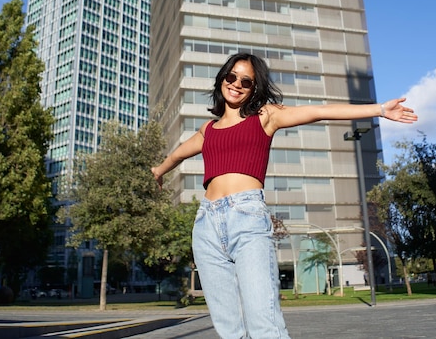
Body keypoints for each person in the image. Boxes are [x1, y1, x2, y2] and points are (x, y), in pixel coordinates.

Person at [152, 52, 417, 338]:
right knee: (227, 326)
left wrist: (378, 110)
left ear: (255, 88)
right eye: (231, 77)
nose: (237, 84)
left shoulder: (265, 116)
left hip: (246, 218)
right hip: (206, 225)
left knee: (262, 319)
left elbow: (319, 111)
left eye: (246, 81)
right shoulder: (208, 129)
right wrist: (158, 170)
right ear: (222, 80)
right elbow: (178, 153)